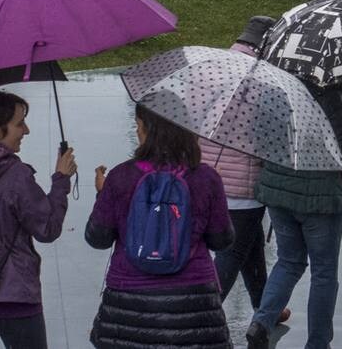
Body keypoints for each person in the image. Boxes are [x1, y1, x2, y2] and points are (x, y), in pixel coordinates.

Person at [88, 105, 233, 349]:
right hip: (194, 304)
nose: (137, 131)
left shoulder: (120, 176)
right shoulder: (206, 178)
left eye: (138, 125)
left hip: (128, 303)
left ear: (147, 129)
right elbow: (222, 240)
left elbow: (98, 238)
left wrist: (103, 196)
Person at [247, 81, 342, 349]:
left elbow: (261, 139)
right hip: (320, 198)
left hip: (279, 189)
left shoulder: (274, 87)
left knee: (289, 261)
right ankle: (317, 343)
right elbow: (339, 153)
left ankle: (261, 323)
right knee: (324, 273)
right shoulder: (334, 95)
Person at [0, 91, 75, 348]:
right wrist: (61, 180)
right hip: (13, 298)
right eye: (19, 123)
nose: (26, 130)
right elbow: (47, 229)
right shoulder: (15, 174)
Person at [203, 17, 290, 325]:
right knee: (230, 255)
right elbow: (270, 137)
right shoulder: (265, 79)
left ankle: (266, 306)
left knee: (249, 247)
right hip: (244, 186)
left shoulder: (212, 68)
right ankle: (201, 315)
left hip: (209, 180)